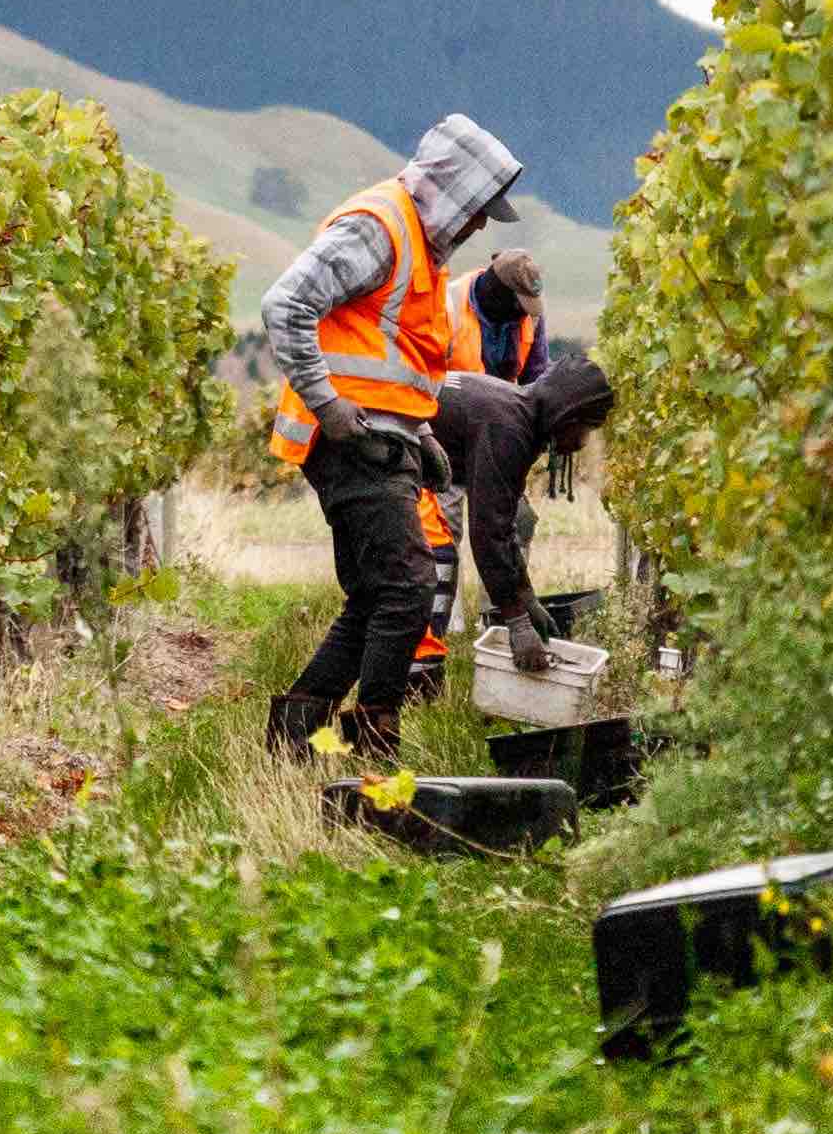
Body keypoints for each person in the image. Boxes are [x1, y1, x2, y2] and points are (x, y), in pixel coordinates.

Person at [260, 114, 523, 761]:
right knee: (408, 584)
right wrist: (330, 406)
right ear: (454, 192)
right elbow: (284, 304)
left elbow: (396, 354)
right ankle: (375, 747)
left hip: (386, 439)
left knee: (379, 592)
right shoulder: (378, 226)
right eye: (479, 209)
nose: (481, 225)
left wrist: (423, 432)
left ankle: (293, 731)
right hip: (353, 441)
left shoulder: (421, 247)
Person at [433, 350, 616, 674]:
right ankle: (410, 685)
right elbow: (488, 532)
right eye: (585, 429)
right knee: (411, 578)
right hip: (365, 451)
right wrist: (518, 622)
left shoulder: (517, 411)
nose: (583, 442)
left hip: (381, 449)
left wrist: (527, 597)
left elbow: (504, 526)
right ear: (566, 415)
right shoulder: (508, 428)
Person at [466, 249, 548, 385]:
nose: (524, 313)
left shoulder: (531, 316)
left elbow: (536, 378)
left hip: (505, 402)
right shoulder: (449, 308)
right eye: (519, 304)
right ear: (498, 291)